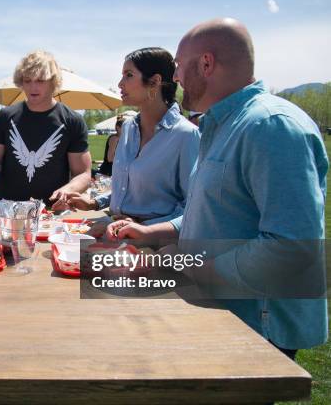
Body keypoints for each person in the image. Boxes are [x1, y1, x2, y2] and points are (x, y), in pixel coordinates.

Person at [107, 18, 328, 359]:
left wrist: (190, 266)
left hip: (256, 327)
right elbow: (211, 209)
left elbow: (291, 249)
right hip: (221, 311)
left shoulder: (271, 126)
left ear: (206, 63)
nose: (176, 77)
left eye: (180, 66)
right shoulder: (224, 125)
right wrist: (152, 232)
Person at [67, 47, 200, 225]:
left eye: (128, 75)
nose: (120, 83)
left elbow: (193, 209)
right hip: (115, 232)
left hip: (156, 247)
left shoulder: (186, 135)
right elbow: (128, 188)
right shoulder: (129, 127)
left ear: (155, 81)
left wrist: (142, 227)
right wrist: (94, 203)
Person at [0, 50, 91, 209]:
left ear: (53, 82)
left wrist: (68, 190)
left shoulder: (72, 120)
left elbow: (83, 174)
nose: (33, 87)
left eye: (40, 80)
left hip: (53, 211)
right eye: (27, 80)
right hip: (9, 211)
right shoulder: (6, 116)